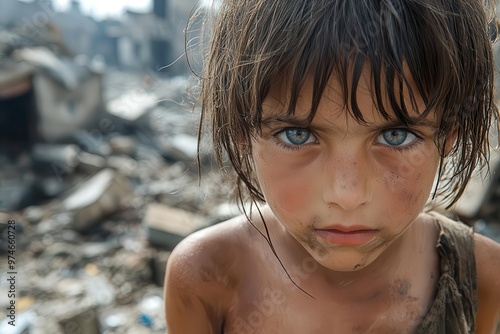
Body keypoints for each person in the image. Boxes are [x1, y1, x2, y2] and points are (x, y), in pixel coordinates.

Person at [164, 0, 500, 332]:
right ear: (241, 131)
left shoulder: (482, 277)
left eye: (396, 136)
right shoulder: (206, 278)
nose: (347, 195)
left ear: (448, 135)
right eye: (297, 135)